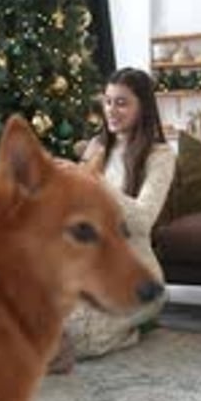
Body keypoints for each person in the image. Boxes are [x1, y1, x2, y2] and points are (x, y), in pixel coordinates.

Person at [64, 67, 176, 361]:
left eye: (122, 102)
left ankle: (136, 325)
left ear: (144, 107)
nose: (111, 110)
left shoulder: (160, 157)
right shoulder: (97, 147)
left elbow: (142, 221)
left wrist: (93, 181)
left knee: (83, 340)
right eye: (108, 101)